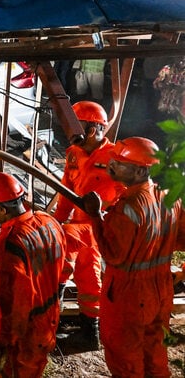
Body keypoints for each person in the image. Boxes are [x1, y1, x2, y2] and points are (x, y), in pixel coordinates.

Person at [81, 137, 185, 378]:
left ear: (140, 169)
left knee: (125, 356)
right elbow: (181, 238)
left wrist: (96, 216)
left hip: (129, 293)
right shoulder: (169, 197)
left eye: (120, 163)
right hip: (161, 289)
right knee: (155, 352)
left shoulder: (129, 207)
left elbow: (112, 254)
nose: (111, 166)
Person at [0, 172, 65, 378]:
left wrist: (6, 337)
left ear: (2, 209)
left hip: (24, 329)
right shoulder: (49, 222)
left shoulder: (11, 241)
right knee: (33, 368)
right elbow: (63, 267)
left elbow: (17, 298)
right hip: (48, 315)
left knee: (14, 371)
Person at [50, 100, 121, 345]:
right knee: (72, 265)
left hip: (102, 225)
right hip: (81, 224)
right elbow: (67, 190)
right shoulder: (73, 154)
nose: (70, 131)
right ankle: (75, 327)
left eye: (75, 125)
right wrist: (57, 221)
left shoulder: (115, 157)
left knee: (81, 266)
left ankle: (88, 330)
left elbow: (128, 193)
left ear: (92, 129)